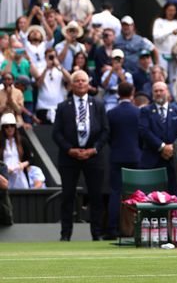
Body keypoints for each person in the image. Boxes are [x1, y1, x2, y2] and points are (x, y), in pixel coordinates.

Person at [53, 70, 109, 241]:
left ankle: (97, 233)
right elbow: (56, 133)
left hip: (93, 156)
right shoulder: (63, 107)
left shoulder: (98, 105)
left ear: (88, 83)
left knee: (96, 196)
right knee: (68, 196)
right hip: (69, 157)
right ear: (71, 84)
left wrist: (94, 149)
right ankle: (65, 234)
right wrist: (70, 149)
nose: (80, 83)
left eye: (83, 80)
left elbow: (105, 131)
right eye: (76, 81)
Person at [105, 82, 141, 239]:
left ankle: (112, 229)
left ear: (118, 93)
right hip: (135, 156)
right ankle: (136, 230)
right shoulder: (138, 112)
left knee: (116, 192)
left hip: (117, 156)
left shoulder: (111, 113)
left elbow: (108, 136)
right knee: (136, 194)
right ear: (132, 92)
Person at [138, 81, 177, 194]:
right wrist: (162, 147)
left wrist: (172, 148)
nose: (159, 93)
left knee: (174, 197)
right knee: (150, 197)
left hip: (173, 161)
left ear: (167, 92)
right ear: (152, 93)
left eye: (161, 90)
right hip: (151, 161)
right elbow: (144, 131)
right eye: (156, 91)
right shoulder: (145, 111)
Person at [33, 48, 70, 124]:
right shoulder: (40, 69)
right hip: (43, 106)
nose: (51, 59)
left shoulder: (60, 69)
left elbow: (70, 79)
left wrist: (59, 66)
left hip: (58, 106)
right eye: (49, 57)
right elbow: (38, 84)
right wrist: (46, 69)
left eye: (53, 56)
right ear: (45, 57)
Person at [152, 3, 177, 81]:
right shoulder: (158, 22)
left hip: (174, 55)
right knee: (161, 77)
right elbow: (156, 37)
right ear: (165, 11)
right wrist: (170, 32)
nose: (171, 12)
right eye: (169, 10)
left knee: (174, 79)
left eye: (173, 10)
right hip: (161, 54)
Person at [0, 113, 33, 189]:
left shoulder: (22, 140)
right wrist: (4, 169)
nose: (10, 128)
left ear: (15, 127)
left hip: (20, 177)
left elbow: (31, 159)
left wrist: (23, 165)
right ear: (3, 128)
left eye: (12, 125)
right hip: (4, 178)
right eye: (6, 126)